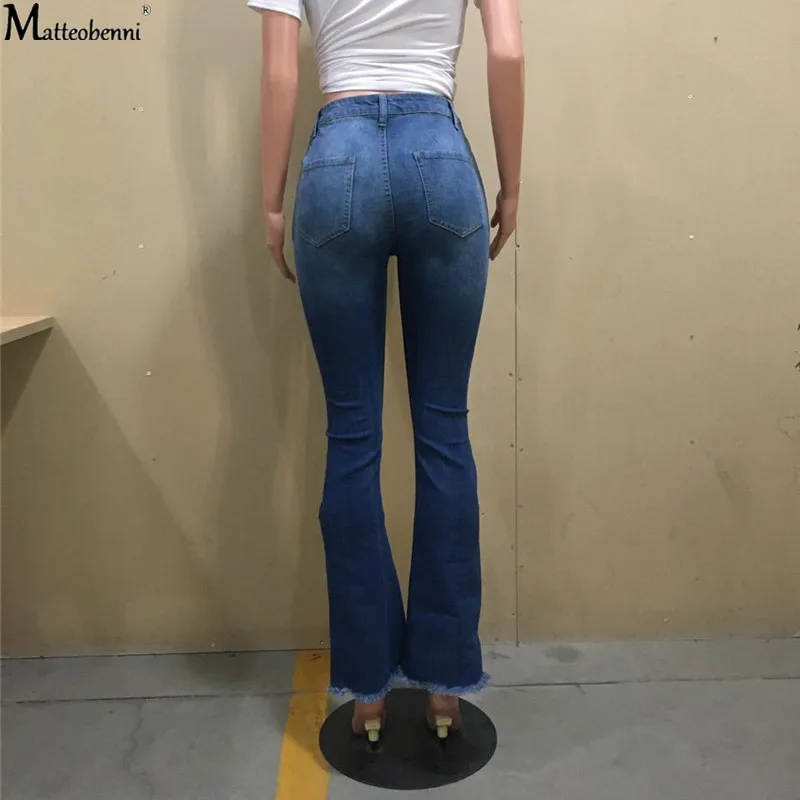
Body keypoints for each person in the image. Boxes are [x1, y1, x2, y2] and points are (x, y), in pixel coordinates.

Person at [248, 0, 524, 743]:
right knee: (444, 431)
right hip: (439, 152)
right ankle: (445, 685)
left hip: (337, 160)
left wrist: (271, 204)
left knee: (352, 438)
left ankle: (367, 690)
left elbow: (279, 71)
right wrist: (511, 184)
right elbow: (507, 52)